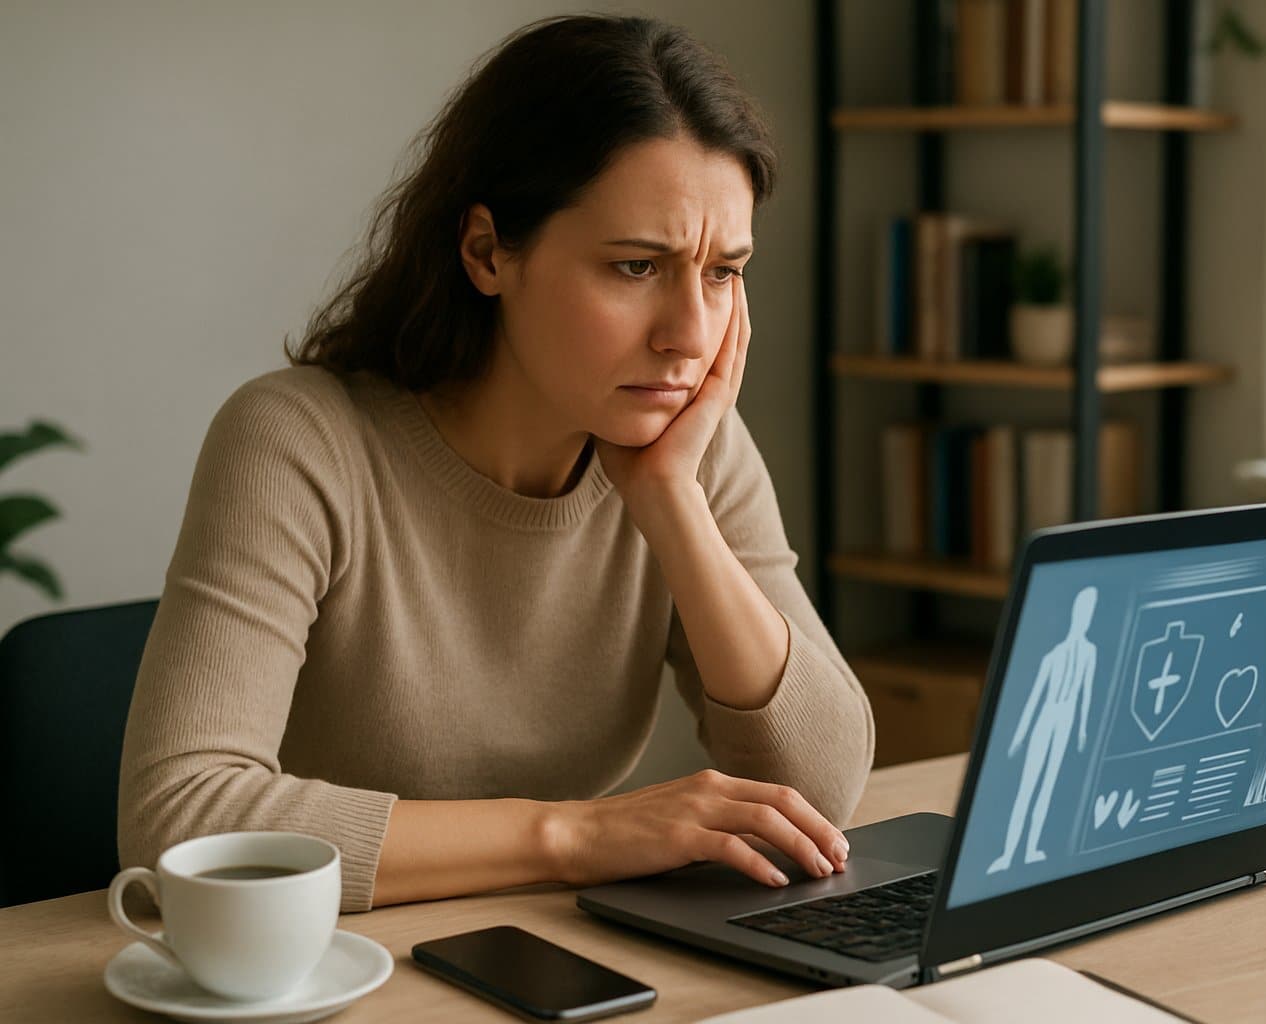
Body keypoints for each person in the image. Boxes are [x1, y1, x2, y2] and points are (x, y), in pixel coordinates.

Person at [117, 13, 874, 914]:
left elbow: (823, 792)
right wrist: (573, 835)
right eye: (637, 267)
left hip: (542, 954)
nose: (689, 337)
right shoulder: (298, 442)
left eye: (722, 274)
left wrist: (673, 503)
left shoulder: (688, 448)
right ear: (487, 252)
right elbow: (180, 821)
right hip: (325, 970)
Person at [987, 586, 1097, 873]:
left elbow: (1085, 695)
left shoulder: (1089, 652)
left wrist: (1083, 730)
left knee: (1047, 786)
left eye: (1089, 611)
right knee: (1027, 786)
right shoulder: (1054, 655)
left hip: (1066, 721)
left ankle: (1031, 848)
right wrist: (1021, 735)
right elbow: (1035, 698)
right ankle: (1009, 853)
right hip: (1046, 719)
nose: (1084, 616)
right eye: (1082, 610)